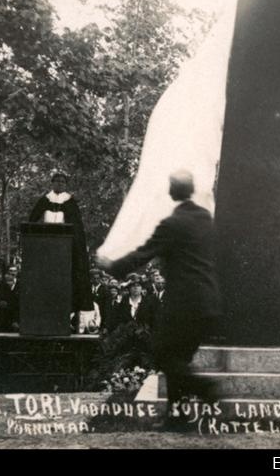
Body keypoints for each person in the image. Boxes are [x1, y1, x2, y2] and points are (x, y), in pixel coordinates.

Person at [97, 170, 222, 424]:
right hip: (208, 301)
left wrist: (110, 265)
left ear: (174, 190)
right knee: (180, 358)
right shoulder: (206, 221)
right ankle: (177, 416)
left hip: (183, 303)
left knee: (163, 353)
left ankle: (204, 389)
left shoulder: (172, 224)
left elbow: (142, 255)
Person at [29, 170, 93, 317]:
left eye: (62, 182)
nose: (59, 184)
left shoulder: (70, 202)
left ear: (66, 185)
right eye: (56, 181)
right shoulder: (44, 200)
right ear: (52, 183)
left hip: (65, 246)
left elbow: (77, 226)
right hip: (46, 244)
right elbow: (32, 219)